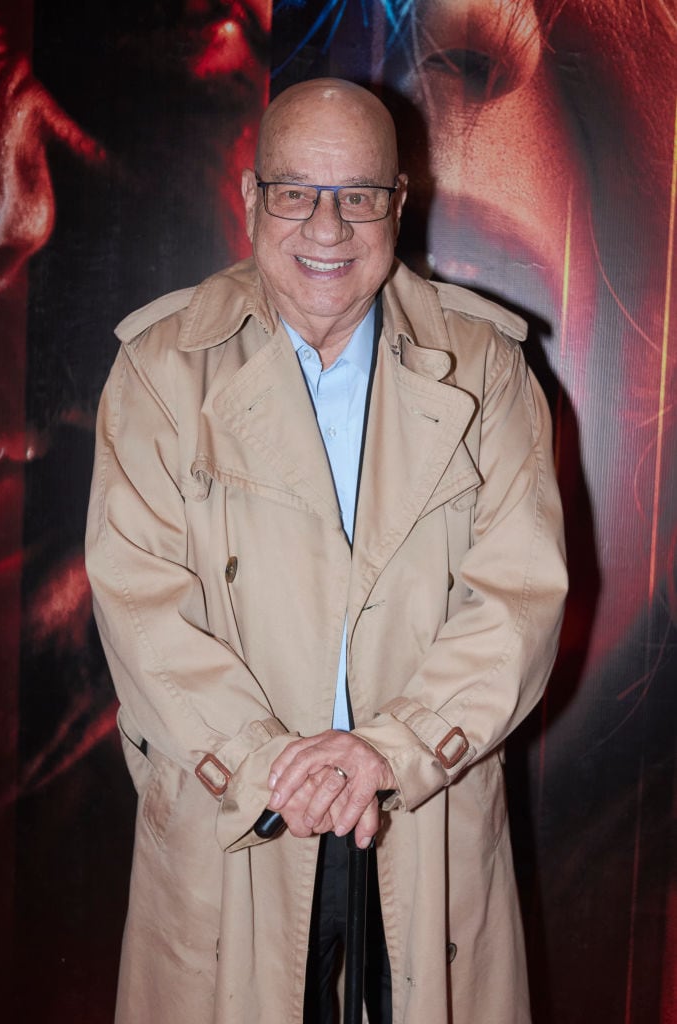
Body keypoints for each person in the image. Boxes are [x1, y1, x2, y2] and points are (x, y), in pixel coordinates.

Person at [85, 77, 567, 1023]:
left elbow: (518, 597)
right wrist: (267, 763)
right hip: (243, 816)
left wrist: (388, 753)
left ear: (397, 205)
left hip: (418, 805)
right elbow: (138, 603)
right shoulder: (157, 367)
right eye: (297, 192)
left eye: (357, 197)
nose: (326, 227)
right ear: (252, 198)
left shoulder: (488, 366)